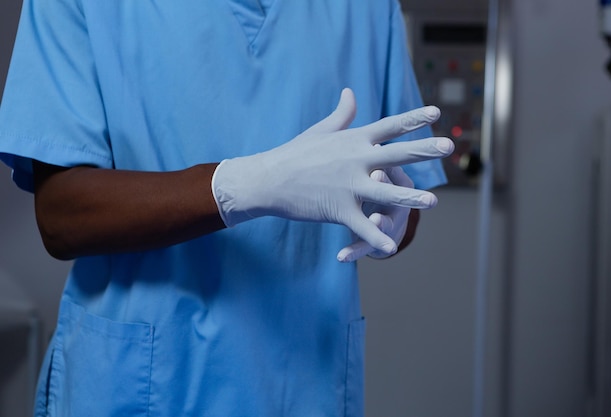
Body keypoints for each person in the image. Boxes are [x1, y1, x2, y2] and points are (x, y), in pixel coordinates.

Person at [0, 0, 453, 416]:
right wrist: (246, 185)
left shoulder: (367, 9)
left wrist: (390, 214)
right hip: (141, 389)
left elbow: (403, 203)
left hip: (304, 385)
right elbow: (62, 216)